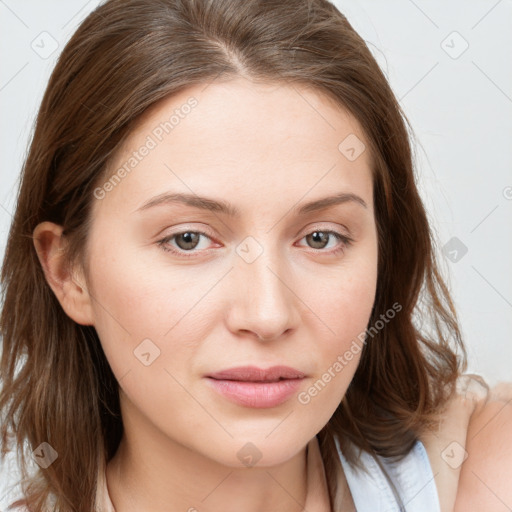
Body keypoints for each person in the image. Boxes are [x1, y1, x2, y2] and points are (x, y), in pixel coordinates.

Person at [0, 0, 510, 511]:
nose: (268, 315)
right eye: (188, 239)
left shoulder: (478, 469)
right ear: (69, 273)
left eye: (320, 238)